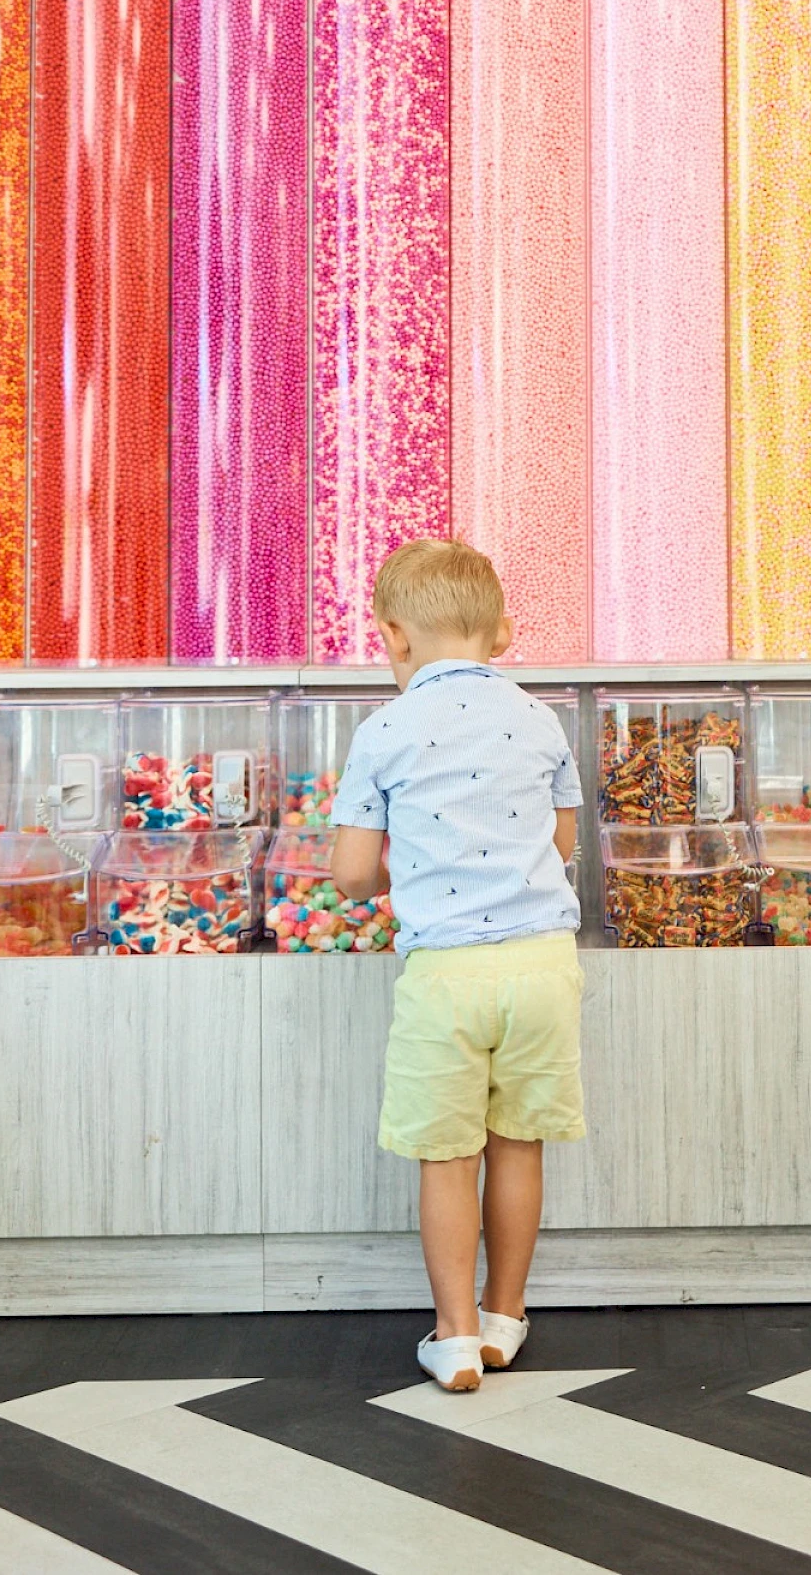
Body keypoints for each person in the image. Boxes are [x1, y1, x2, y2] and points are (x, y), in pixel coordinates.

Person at [329, 539, 585, 1392]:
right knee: (519, 1147)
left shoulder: (384, 730)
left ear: (394, 637)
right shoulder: (542, 719)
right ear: (502, 632)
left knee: (448, 1156)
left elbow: (354, 873)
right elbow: (560, 846)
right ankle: (508, 1316)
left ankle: (455, 1333)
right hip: (543, 966)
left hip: (446, 975)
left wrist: (418, 867)